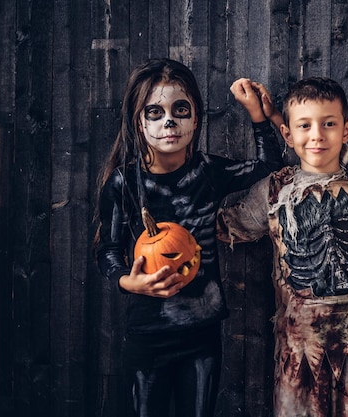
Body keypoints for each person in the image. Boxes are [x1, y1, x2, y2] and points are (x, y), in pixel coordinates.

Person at [93, 58, 284, 417]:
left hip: (202, 334)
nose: (169, 121)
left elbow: (268, 166)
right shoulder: (123, 183)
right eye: (155, 112)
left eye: (180, 110)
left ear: (195, 119)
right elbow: (108, 250)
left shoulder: (208, 172)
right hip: (148, 335)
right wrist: (128, 282)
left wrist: (258, 116)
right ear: (139, 122)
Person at [217, 77, 348, 417]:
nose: (317, 135)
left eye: (329, 124)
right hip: (297, 346)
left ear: (346, 130)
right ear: (288, 134)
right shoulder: (276, 189)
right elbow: (229, 225)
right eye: (304, 126)